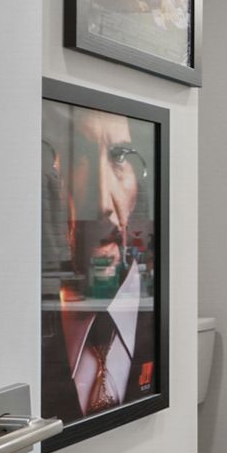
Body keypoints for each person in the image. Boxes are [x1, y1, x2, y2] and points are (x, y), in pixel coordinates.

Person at [41, 103, 156, 423]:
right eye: (80, 156)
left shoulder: (165, 325)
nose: (102, 203)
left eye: (120, 156)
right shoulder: (26, 331)